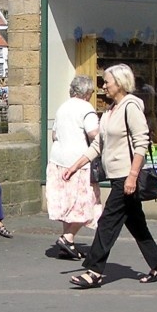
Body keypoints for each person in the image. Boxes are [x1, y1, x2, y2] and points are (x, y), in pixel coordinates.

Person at [61, 63, 157, 289]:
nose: (103, 86)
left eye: (107, 82)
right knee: (136, 224)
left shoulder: (131, 107)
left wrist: (132, 176)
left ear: (119, 84)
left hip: (126, 178)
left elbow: (141, 143)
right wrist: (75, 166)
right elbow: (97, 145)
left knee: (107, 223)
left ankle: (94, 271)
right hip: (117, 177)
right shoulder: (111, 110)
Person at [47, 75, 102, 259]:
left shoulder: (63, 107)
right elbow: (94, 134)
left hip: (58, 160)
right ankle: (68, 237)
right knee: (88, 202)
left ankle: (67, 244)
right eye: (91, 92)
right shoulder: (86, 108)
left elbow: (54, 135)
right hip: (78, 163)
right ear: (86, 92)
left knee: (68, 203)